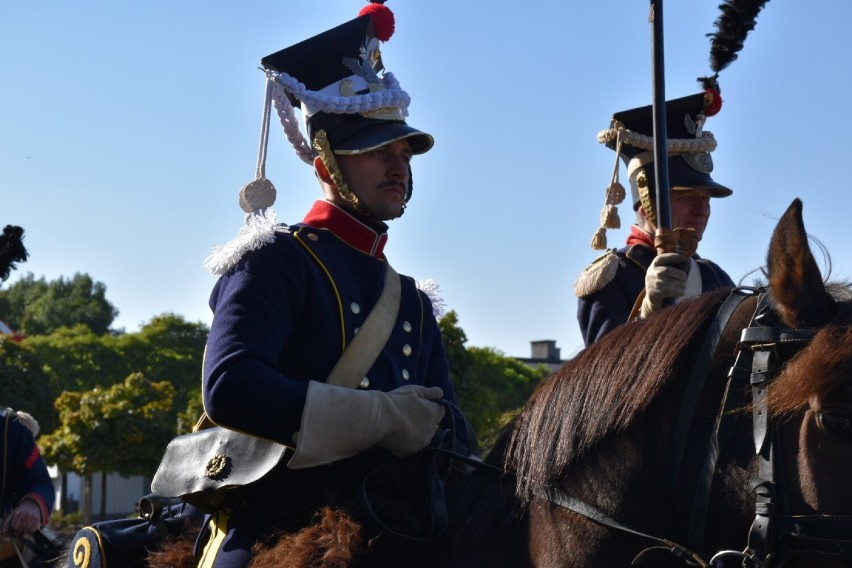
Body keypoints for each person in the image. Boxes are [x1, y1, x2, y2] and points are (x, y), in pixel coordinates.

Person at [192, 3, 471, 566]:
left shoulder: (412, 300)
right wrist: (380, 417)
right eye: (377, 151)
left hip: (406, 517)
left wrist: (439, 430)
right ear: (325, 162)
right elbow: (230, 386)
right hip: (281, 517)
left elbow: (456, 434)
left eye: (403, 152)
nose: (398, 167)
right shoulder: (276, 259)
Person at [574, 93, 735, 347]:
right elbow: (605, 379)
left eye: (706, 198)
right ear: (646, 202)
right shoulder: (614, 277)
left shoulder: (715, 277)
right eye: (687, 196)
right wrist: (646, 312)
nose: (702, 209)